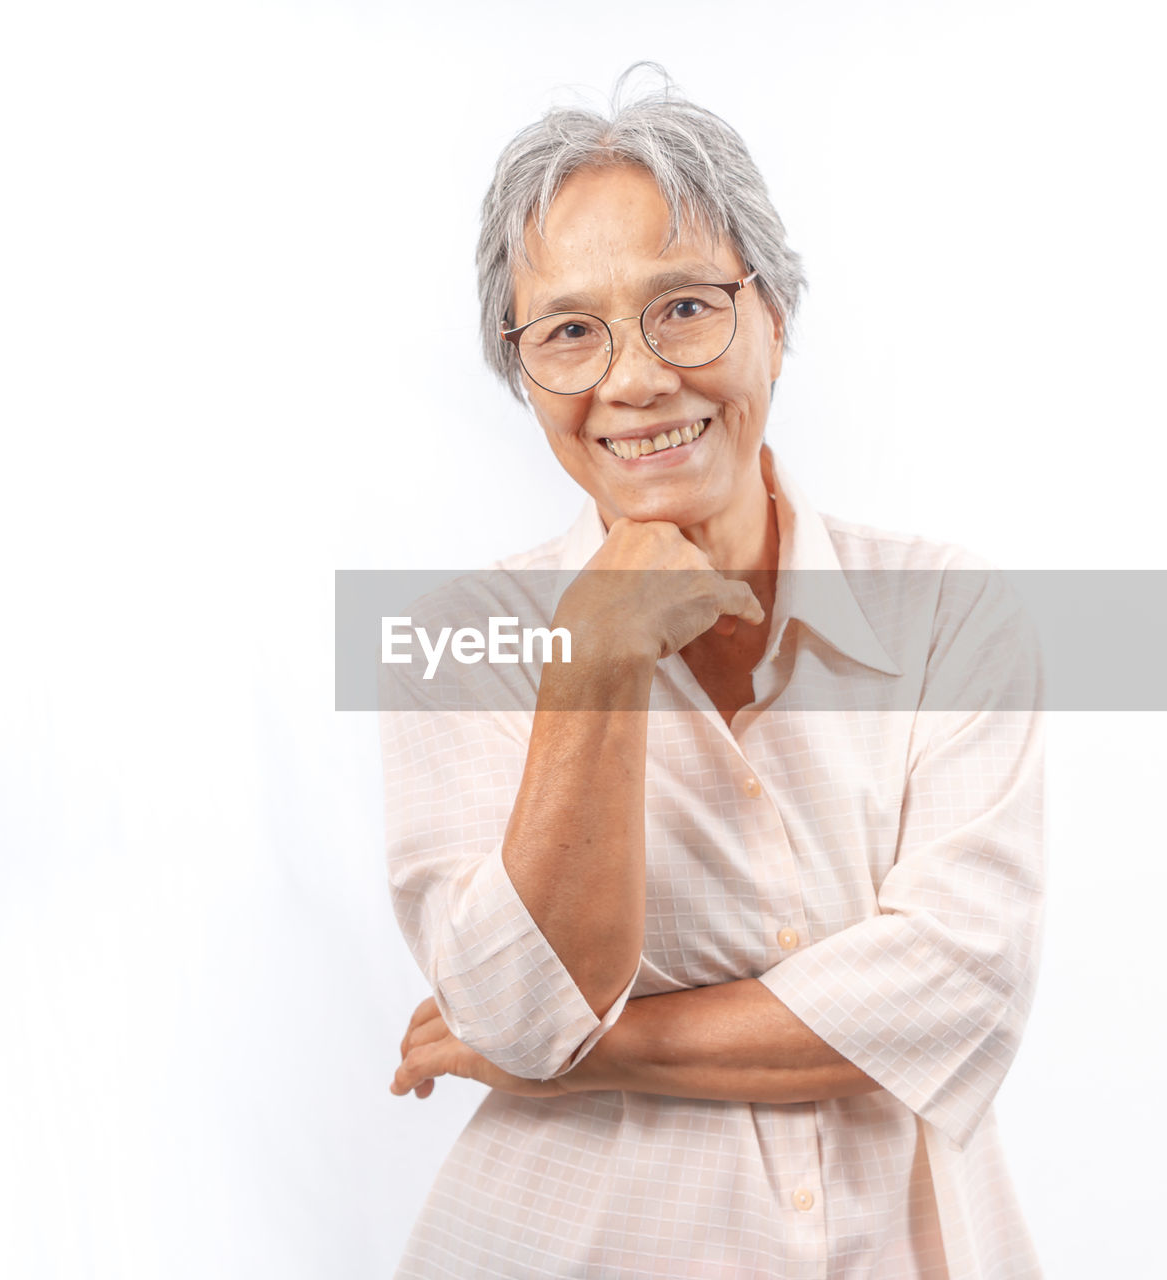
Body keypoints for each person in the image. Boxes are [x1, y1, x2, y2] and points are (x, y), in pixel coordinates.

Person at [382, 69, 1044, 1280]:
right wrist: (592, 658)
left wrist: (586, 1044)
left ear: (773, 318)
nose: (632, 378)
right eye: (570, 331)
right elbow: (524, 1006)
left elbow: (959, 988)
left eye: (683, 306)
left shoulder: (951, 609)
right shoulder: (456, 637)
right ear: (524, 372)